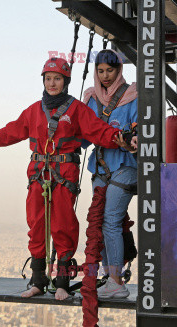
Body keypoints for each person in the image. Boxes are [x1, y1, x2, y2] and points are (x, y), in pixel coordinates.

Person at [0, 57, 127, 301]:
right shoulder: (33, 111)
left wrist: (121, 137)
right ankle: (38, 280)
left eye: (57, 79)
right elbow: (10, 131)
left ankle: (61, 282)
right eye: (48, 78)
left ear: (65, 82)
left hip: (63, 175)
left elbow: (98, 130)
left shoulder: (76, 109)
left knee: (63, 226)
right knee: (36, 224)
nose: (52, 83)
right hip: (39, 174)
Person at [82, 49, 138, 299]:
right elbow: (83, 139)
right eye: (100, 71)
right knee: (99, 223)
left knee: (110, 221)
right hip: (101, 167)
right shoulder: (92, 99)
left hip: (127, 165)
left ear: (120, 71)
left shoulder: (134, 96)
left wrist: (131, 142)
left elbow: (142, 134)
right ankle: (111, 275)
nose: (105, 76)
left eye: (110, 70)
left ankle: (116, 281)